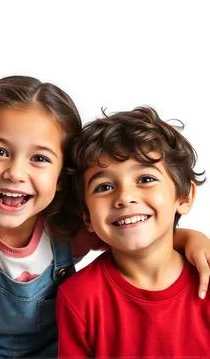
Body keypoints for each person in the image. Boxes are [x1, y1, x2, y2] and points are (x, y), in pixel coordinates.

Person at [0, 79, 208, 359]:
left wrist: (191, 239)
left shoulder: (70, 226)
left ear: (62, 177)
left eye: (39, 158)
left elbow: (135, 236)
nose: (15, 173)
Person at [56, 106, 209, 358]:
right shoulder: (78, 297)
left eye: (146, 179)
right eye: (104, 186)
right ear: (87, 217)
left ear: (184, 196)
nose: (125, 197)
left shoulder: (206, 279)